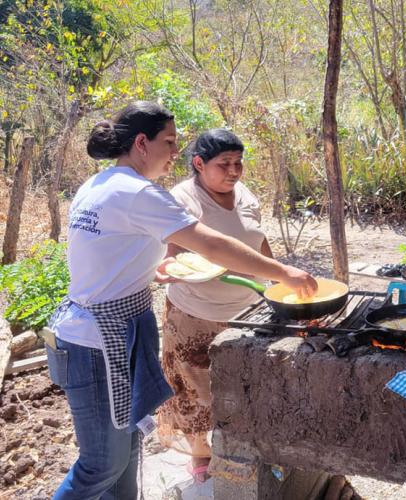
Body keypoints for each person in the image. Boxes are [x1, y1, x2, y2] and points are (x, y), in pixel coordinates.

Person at [46, 101, 317, 499]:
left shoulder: (101, 183)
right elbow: (209, 243)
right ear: (142, 142)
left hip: (106, 332)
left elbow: (114, 255)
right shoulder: (138, 192)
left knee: (126, 454)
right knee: (101, 464)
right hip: (95, 342)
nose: (176, 153)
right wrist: (285, 273)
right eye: (169, 142)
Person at [156, 129, 270, 484]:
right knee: (194, 390)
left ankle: (240, 447)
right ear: (199, 164)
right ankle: (200, 455)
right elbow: (172, 256)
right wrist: (173, 269)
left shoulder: (246, 195)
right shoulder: (183, 199)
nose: (234, 170)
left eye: (238, 163)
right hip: (195, 314)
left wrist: (278, 280)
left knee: (241, 385)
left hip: (245, 312)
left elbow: (258, 243)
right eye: (224, 164)